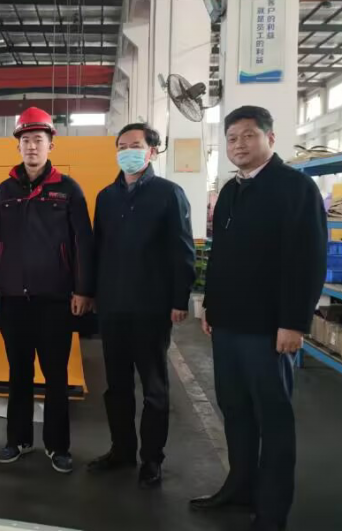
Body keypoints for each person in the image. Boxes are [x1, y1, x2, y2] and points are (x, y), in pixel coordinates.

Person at [191, 106, 326, 531]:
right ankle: (240, 487)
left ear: (270, 137)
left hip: (269, 329)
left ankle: (272, 510)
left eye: (248, 135)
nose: (239, 145)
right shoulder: (232, 190)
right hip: (228, 325)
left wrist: (294, 322)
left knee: (273, 419)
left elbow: (308, 260)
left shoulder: (295, 188)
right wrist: (211, 306)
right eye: (232, 138)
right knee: (236, 410)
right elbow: (221, 256)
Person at [0, 106, 95, 474]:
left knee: (56, 375)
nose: (32, 146)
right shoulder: (4, 191)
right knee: (18, 372)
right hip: (13, 300)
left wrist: (82, 290)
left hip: (55, 300)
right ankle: (17, 440)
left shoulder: (68, 190)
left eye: (38, 140)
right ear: (18, 146)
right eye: (26, 140)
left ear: (51, 144)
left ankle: (58, 446)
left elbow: (82, 242)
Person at [88, 123, 195, 488]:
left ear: (152, 150)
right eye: (121, 146)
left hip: (151, 307)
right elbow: (98, 249)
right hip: (113, 306)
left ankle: (152, 458)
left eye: (135, 145)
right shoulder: (106, 197)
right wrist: (92, 293)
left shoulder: (169, 193)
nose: (127, 152)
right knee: (116, 386)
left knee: (154, 388)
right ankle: (121, 450)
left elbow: (182, 250)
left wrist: (179, 299)